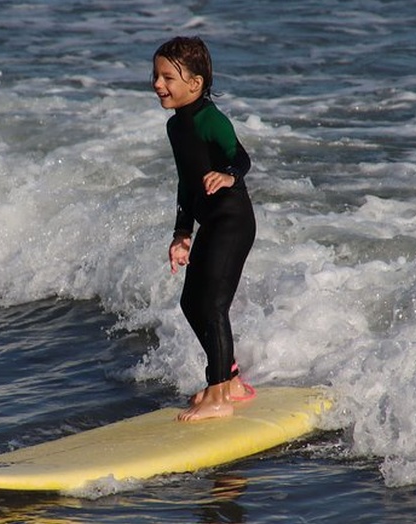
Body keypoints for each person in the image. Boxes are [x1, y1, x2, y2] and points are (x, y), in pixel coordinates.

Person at [152, 36, 257, 421]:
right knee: (191, 303)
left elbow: (240, 156)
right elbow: (186, 181)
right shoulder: (175, 127)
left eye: (168, 77)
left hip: (233, 220)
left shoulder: (211, 119)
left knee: (213, 305)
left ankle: (218, 398)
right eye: (156, 75)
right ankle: (229, 380)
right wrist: (182, 233)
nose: (158, 84)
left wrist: (228, 175)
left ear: (195, 83)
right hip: (209, 220)